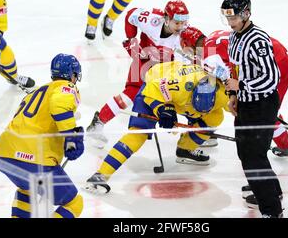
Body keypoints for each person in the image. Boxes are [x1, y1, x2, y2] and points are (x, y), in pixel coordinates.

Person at [84, 61, 229, 194]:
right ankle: (101, 175)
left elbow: (238, 108)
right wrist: (161, 109)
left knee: (216, 117)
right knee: (137, 135)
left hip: (182, 99)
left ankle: (185, 149)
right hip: (155, 89)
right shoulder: (180, 86)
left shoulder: (223, 95)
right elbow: (152, 91)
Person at [85, 0, 189, 149]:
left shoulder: (183, 37)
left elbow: (181, 66)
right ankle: (98, 123)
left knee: (181, 96)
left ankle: (197, 131)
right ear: (166, 19)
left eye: (183, 23)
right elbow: (130, 14)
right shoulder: (152, 20)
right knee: (130, 95)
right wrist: (131, 40)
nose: (181, 27)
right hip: (142, 61)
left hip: (165, 70)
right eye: (177, 23)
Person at [0, 53, 85, 218]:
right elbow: (59, 106)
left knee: (26, 189)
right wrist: (71, 137)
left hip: (4, 155)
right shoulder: (66, 87)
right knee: (74, 203)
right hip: (34, 159)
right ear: (72, 75)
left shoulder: (35, 93)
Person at [180, 26, 288, 152]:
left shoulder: (209, 58)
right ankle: (281, 144)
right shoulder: (214, 34)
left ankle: (285, 146)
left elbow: (230, 81)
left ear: (190, 48)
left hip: (273, 66)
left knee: (265, 110)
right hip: (276, 55)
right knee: (267, 109)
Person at [223, 0, 283, 218]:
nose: (231, 22)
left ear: (246, 14)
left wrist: (242, 86)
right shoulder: (234, 37)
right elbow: (235, 69)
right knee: (247, 154)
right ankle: (272, 192)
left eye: (234, 18)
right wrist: (233, 93)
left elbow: (272, 78)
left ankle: (272, 211)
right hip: (246, 105)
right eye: (227, 18)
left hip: (262, 105)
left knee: (253, 158)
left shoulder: (257, 39)